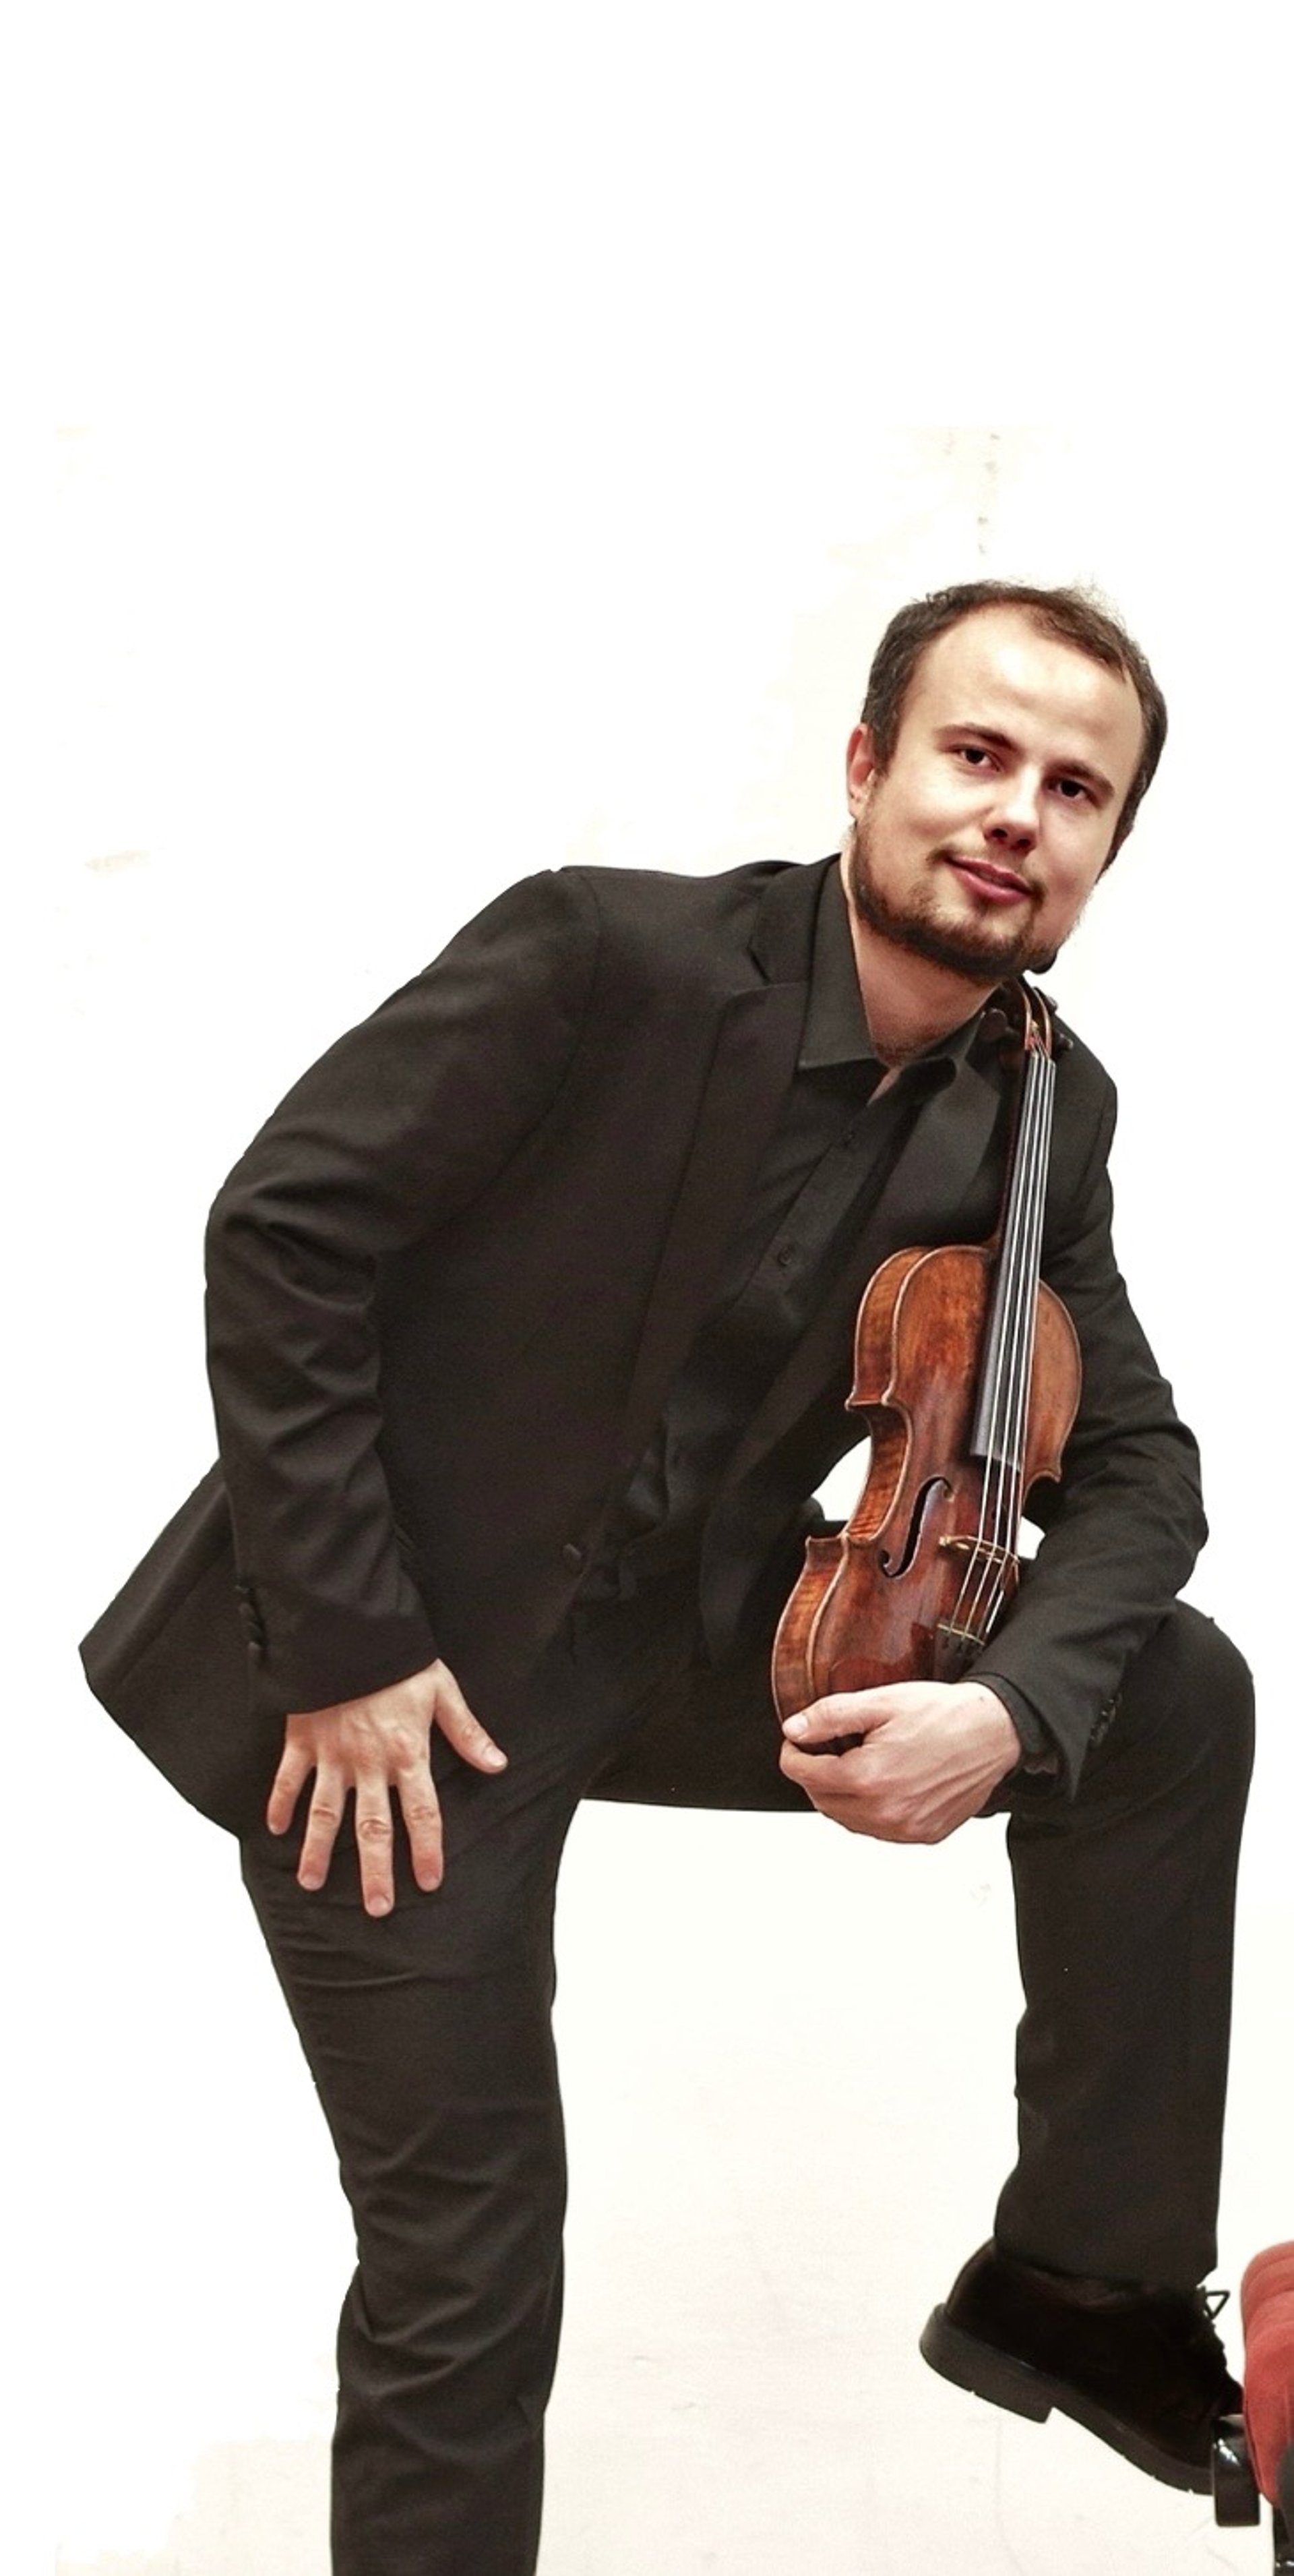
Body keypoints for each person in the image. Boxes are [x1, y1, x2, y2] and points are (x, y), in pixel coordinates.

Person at [82, 580, 1255, 2575]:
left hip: (697, 1644)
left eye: (1076, 791)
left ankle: (1084, 2286)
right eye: (977, 755)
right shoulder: (600, 955)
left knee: (1165, 1693)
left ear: (1107, 849)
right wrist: (346, 1649)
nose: (1017, 815)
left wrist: (1001, 1710)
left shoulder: (1045, 1107)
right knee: (469, 2262)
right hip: (401, 1685)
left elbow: (1138, 1466)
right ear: (870, 766)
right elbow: (285, 1236)